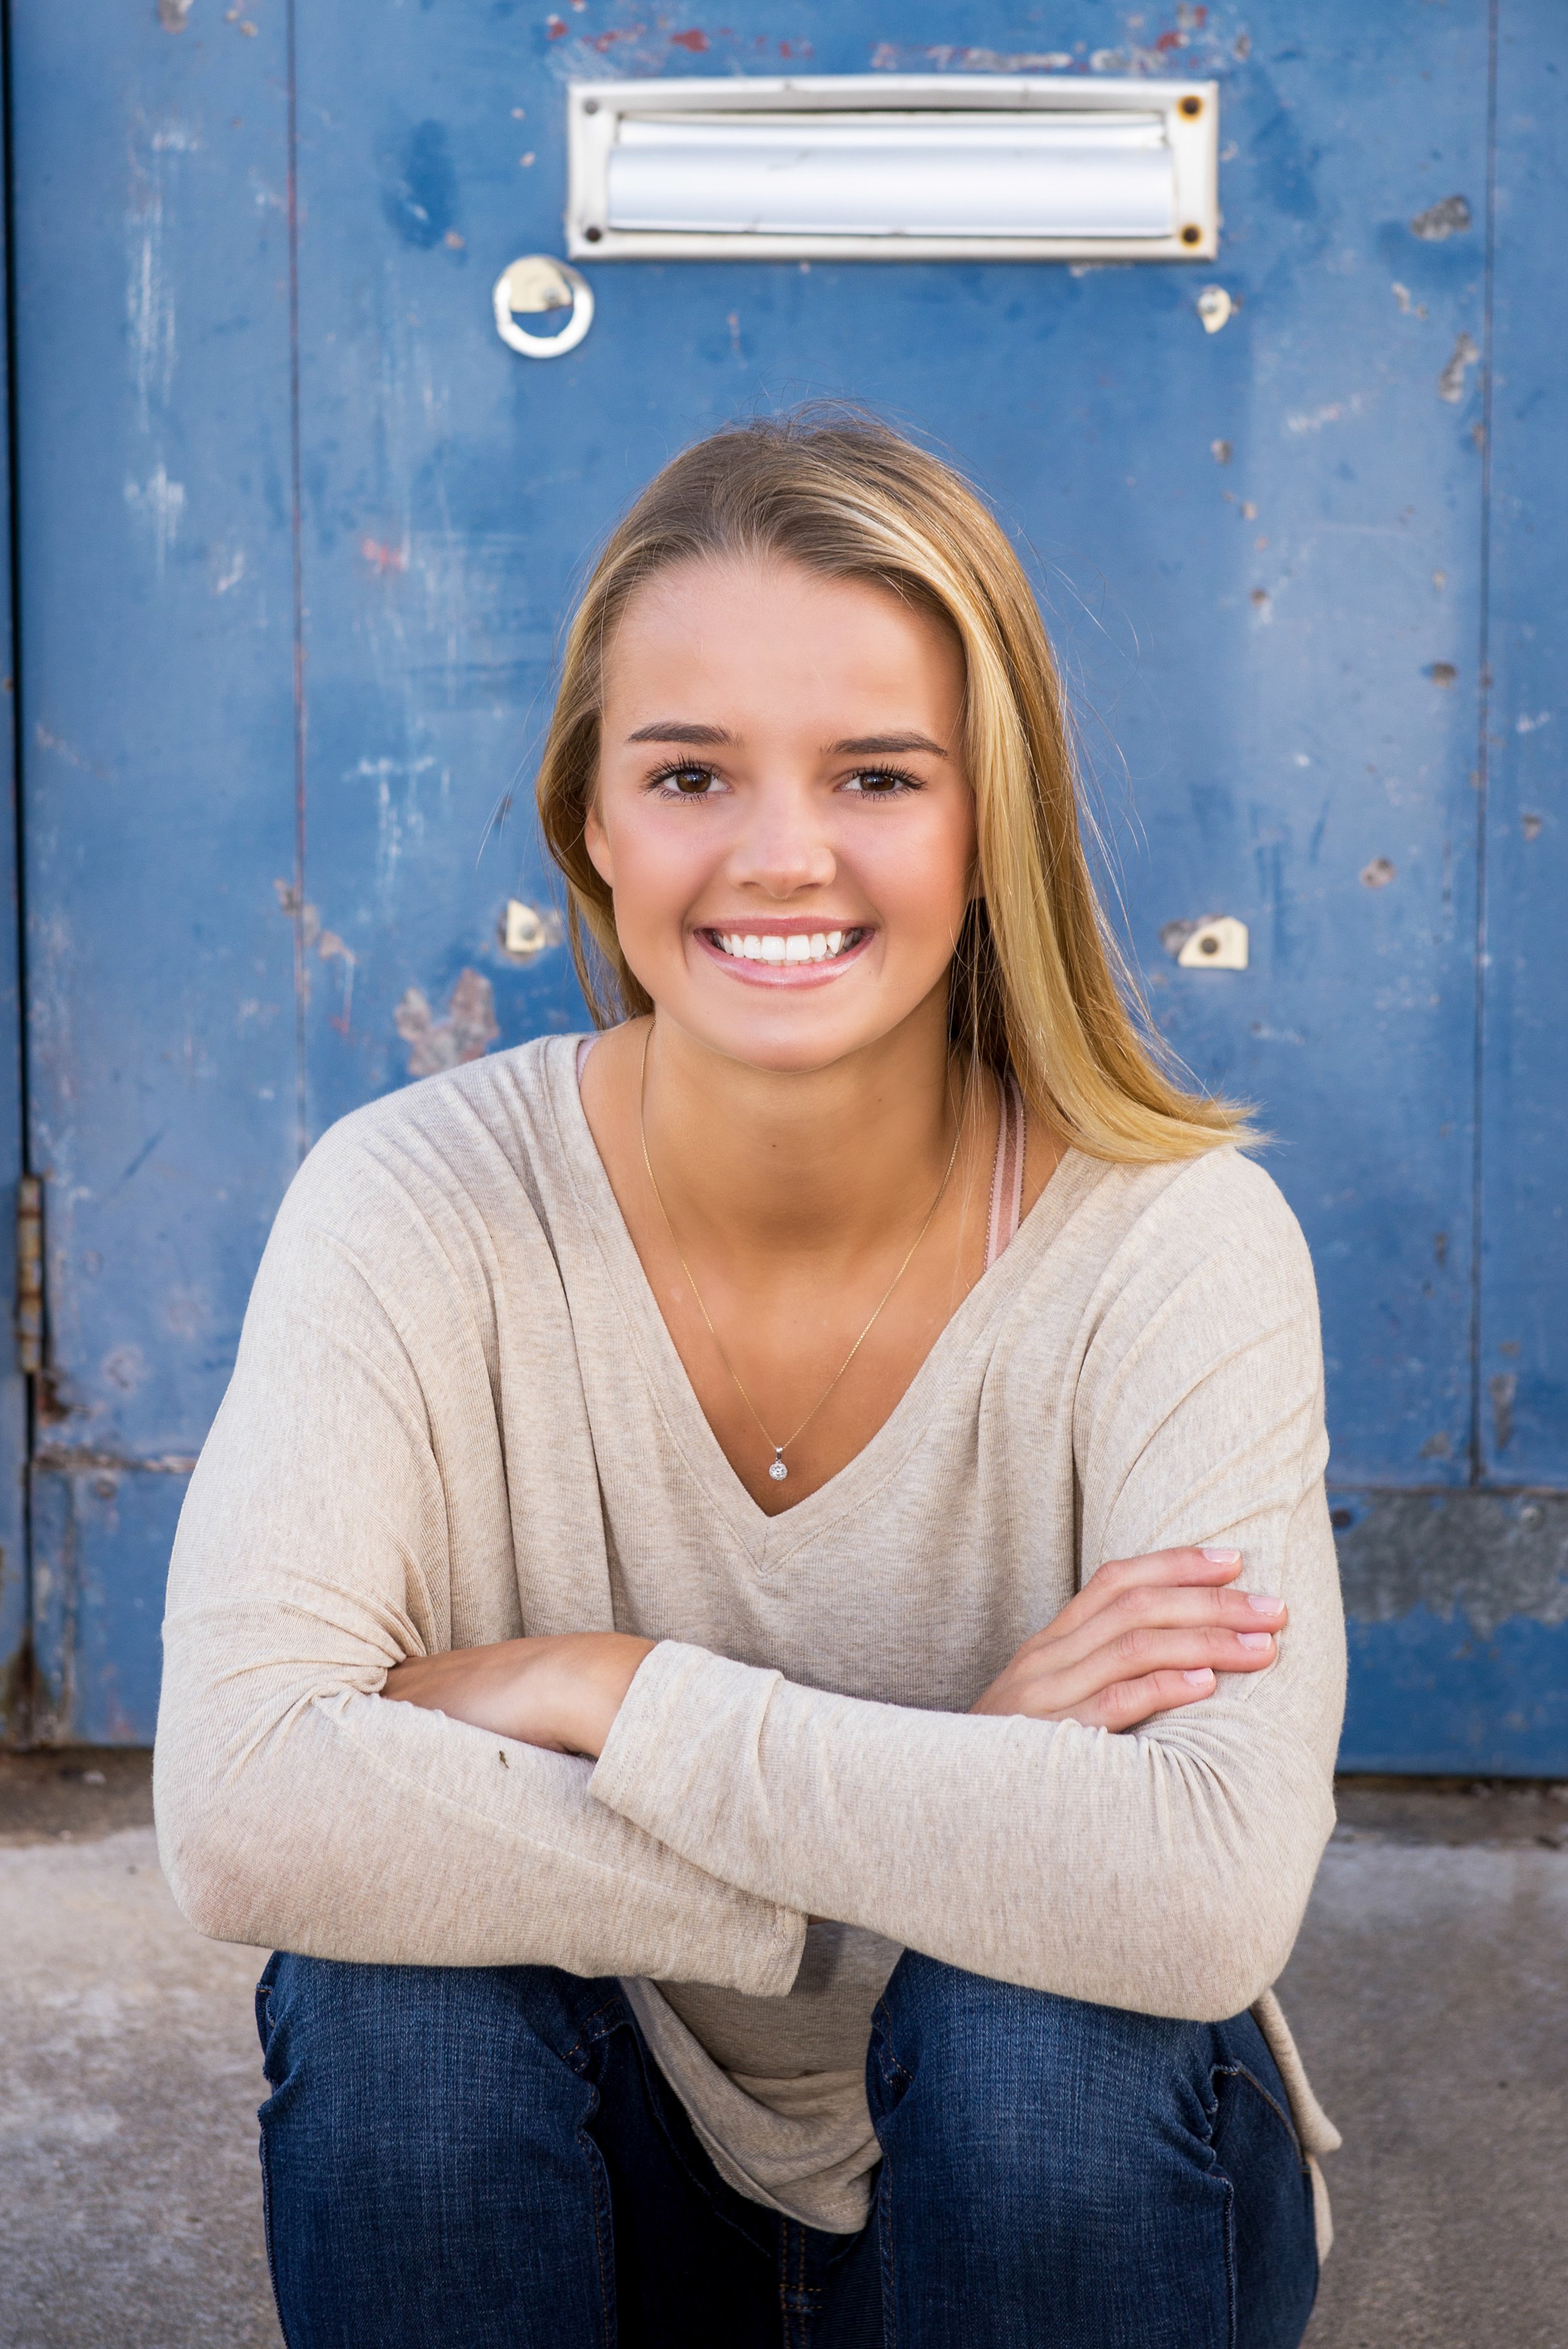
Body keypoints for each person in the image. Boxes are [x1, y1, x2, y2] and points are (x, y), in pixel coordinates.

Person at [155, 410, 1345, 2349]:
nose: (778, 853)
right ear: (592, 821)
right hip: (616, 2168)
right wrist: (950, 1802)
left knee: (1040, 2014)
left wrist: (597, 1689)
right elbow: (244, 1807)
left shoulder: (1169, 1238)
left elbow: (1200, 1894)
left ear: (992, 824)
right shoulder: (411, 1204)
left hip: (1055, 2187)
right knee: (396, 2000)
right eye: (691, 771)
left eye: (875, 774)